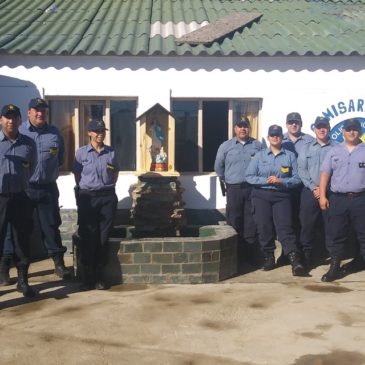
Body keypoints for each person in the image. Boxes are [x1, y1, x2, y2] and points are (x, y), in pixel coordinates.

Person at [0, 98, 71, 281]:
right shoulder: (19, 131)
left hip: (47, 188)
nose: (40, 113)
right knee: (13, 231)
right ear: (29, 112)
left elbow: (61, 157)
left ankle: (59, 264)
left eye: (43, 110)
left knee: (51, 226)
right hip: (23, 190)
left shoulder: (55, 133)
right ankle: (6, 267)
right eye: (36, 110)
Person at [245, 124, 306, 276]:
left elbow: (297, 178)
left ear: (281, 137)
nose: (275, 138)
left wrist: (282, 182)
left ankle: (294, 259)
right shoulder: (259, 156)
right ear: (268, 137)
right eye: (272, 135)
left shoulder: (290, 156)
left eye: (277, 135)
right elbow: (249, 176)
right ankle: (268, 257)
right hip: (261, 195)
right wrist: (267, 180)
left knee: (285, 228)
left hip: (282, 195)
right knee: (264, 227)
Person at [73, 119, 119, 290]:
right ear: (90, 133)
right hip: (88, 198)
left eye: (103, 131)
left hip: (107, 198)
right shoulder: (81, 153)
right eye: (97, 131)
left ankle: (99, 275)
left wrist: (106, 187)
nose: (101, 134)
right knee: (88, 236)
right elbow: (77, 176)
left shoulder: (111, 152)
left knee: (103, 237)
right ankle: (88, 276)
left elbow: (115, 172)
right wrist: (85, 191)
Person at [319, 118, 365, 282]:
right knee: (336, 234)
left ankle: (361, 261)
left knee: (363, 234)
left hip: (361, 199)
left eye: (355, 129)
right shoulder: (334, 151)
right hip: (338, 199)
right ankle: (335, 267)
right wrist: (323, 196)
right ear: (343, 132)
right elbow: (325, 174)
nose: (352, 132)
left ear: (359, 132)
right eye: (349, 129)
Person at [214, 116, 263, 266]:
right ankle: (234, 256)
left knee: (251, 222)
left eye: (245, 126)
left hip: (252, 189)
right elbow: (218, 167)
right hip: (234, 189)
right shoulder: (226, 146)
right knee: (234, 221)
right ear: (235, 128)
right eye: (240, 126)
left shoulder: (258, 146)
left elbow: (265, 163)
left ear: (249, 128)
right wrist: (228, 180)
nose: (243, 129)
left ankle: (249, 257)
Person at [0, 104, 37, 297]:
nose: (10, 121)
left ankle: (23, 280)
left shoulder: (29, 144)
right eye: (7, 117)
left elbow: (31, 168)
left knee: (21, 240)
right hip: (0, 199)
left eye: (14, 117)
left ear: (19, 120)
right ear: (1, 120)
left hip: (21, 197)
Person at [297, 116, 335, 269]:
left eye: (324, 126)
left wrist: (324, 189)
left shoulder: (337, 148)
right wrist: (314, 187)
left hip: (331, 192)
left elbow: (339, 171)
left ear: (329, 128)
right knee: (307, 224)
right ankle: (307, 255)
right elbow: (302, 170)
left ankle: (333, 256)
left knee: (332, 225)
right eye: (319, 126)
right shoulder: (306, 148)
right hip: (309, 191)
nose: (321, 129)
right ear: (314, 129)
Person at [278, 112, 314, 265]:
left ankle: (303, 253)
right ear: (286, 124)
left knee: (303, 221)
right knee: (286, 221)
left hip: (303, 187)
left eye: (296, 122)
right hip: (285, 187)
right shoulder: (279, 139)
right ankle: (288, 253)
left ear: (301, 124)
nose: (294, 125)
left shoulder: (309, 140)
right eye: (291, 122)